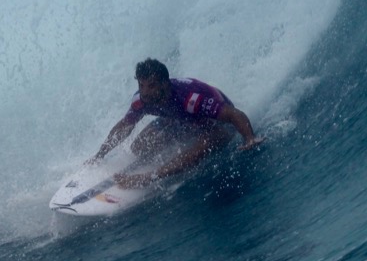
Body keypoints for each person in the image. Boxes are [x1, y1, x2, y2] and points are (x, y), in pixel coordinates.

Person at [89, 58, 264, 189]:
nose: (145, 92)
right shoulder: (142, 100)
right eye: (141, 85)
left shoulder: (190, 99)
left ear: (164, 83)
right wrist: (100, 155)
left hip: (215, 125)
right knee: (139, 147)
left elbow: (234, 114)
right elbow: (125, 126)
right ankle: (151, 163)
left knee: (202, 146)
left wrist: (249, 139)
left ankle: (149, 177)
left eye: (151, 86)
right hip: (179, 120)